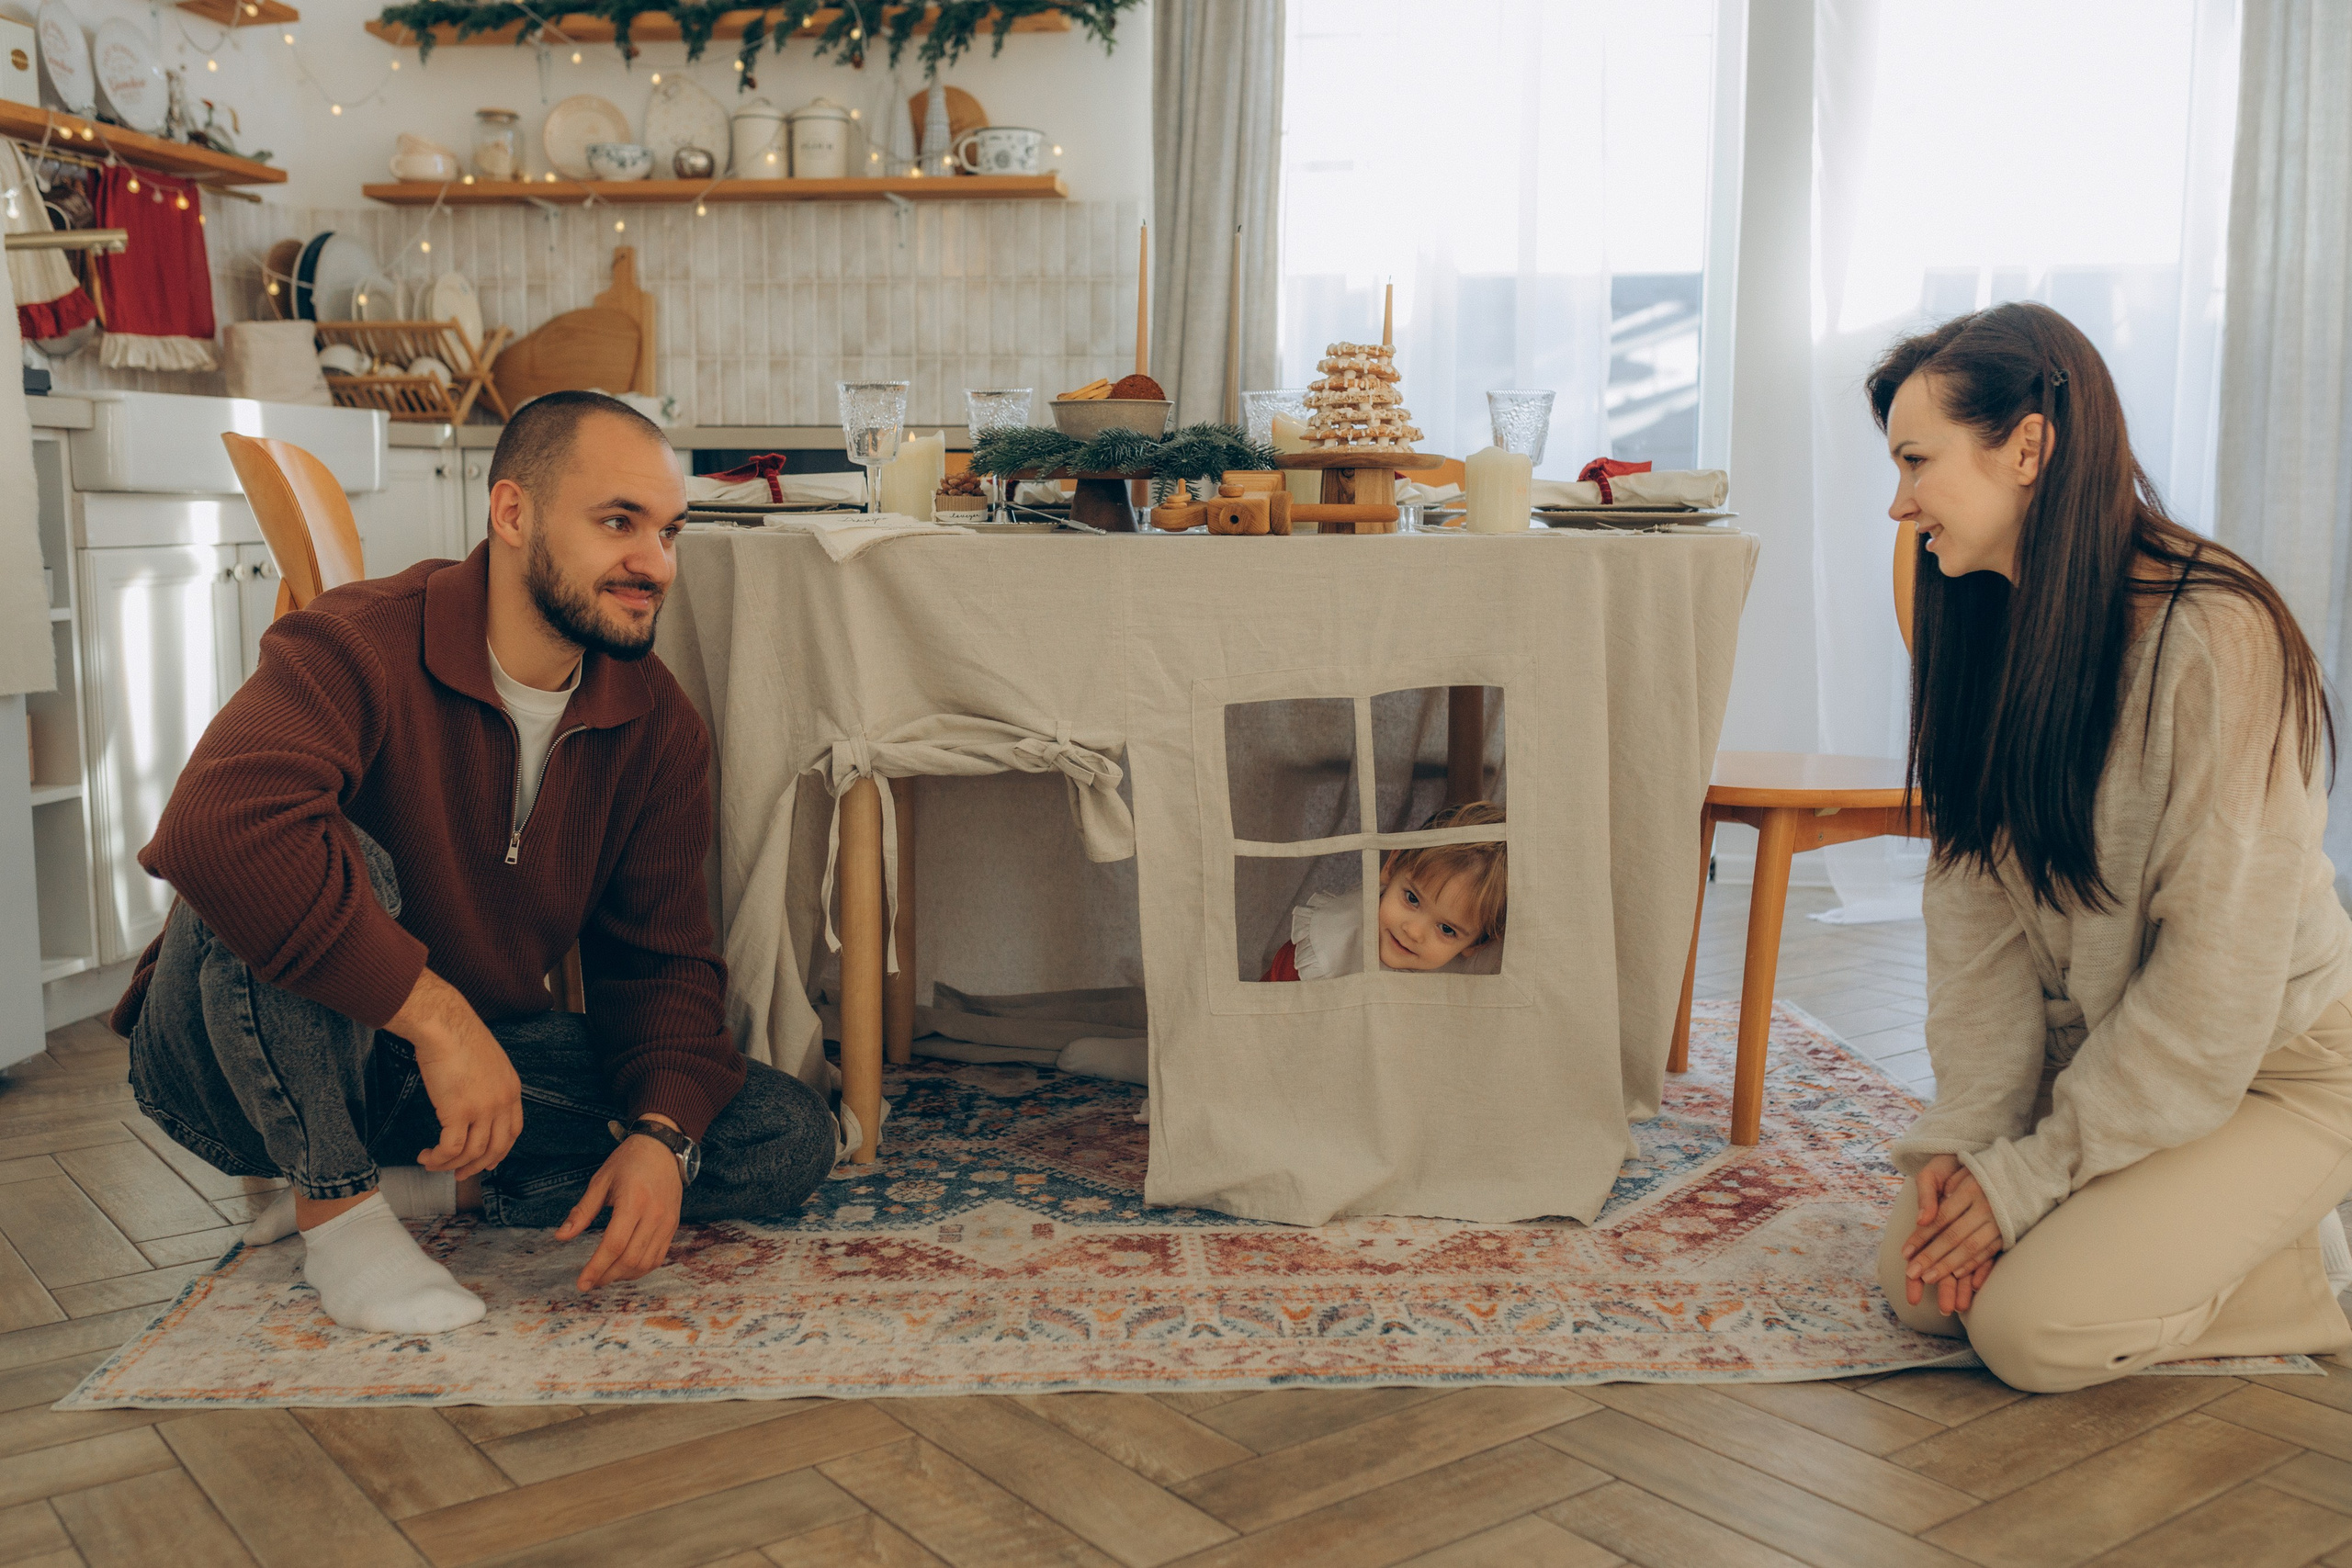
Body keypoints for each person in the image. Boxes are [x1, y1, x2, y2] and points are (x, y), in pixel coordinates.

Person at [112, 390, 836, 1336]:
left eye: (668, 532)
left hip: (450, 1085)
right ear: (511, 514)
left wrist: (660, 1136)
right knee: (299, 852)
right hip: (234, 1055)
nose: (652, 564)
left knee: (781, 1133)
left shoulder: (657, 725)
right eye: (619, 523)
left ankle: (429, 1192)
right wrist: (438, 1018)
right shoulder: (357, 640)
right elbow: (214, 828)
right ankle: (338, 1211)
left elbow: (659, 963)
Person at [1870, 301, 2352, 1392]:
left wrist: (2034, 1176)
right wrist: (1968, 1143)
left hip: (2273, 1068)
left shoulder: (2219, 642)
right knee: (1921, 1290)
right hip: (2109, 1059)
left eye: (1914, 461)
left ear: (2027, 447)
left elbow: (2213, 991)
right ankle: (2171, 1226)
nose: (1897, 503)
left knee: (2027, 1334)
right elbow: (1977, 928)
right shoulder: (1986, 623)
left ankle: (2292, 1269)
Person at [1262, 801, 1508, 979]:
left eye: (1447, 929)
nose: (1413, 932)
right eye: (1412, 899)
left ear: (1476, 945)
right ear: (1391, 865)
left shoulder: (1471, 985)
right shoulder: (1326, 943)